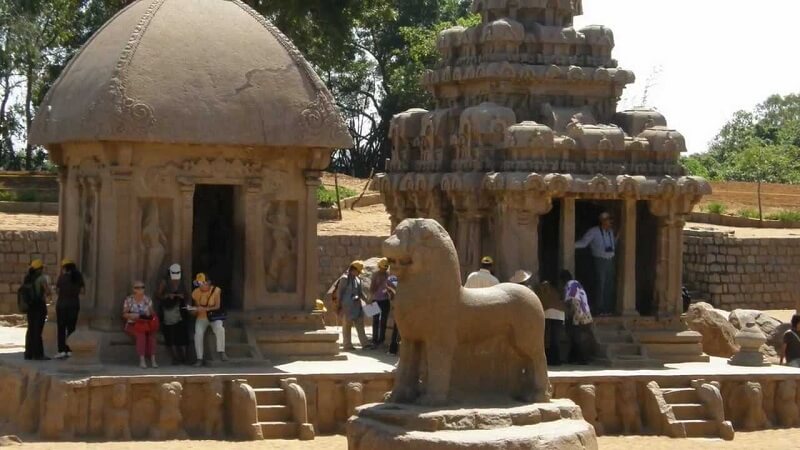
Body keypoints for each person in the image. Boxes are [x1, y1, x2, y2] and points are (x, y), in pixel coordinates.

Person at [575, 212, 618, 316]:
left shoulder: (610, 232)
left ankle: (608, 309)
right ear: (602, 221)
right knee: (601, 284)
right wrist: (570, 245)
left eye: (610, 220)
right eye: (608, 220)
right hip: (599, 260)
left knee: (609, 285)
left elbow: (613, 245)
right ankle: (599, 309)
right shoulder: (594, 231)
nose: (610, 222)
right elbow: (584, 243)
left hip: (610, 260)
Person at [191, 273, 227, 366]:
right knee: (198, 333)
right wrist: (194, 310)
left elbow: (217, 306)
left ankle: (221, 351)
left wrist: (206, 309)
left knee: (220, 329)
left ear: (208, 282)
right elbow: (196, 307)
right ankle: (199, 358)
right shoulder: (196, 292)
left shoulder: (216, 291)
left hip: (214, 316)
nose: (201, 285)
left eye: (203, 283)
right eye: (199, 283)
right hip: (201, 317)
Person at [559, 270, 594, 365]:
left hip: (578, 313)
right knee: (575, 335)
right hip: (585, 311)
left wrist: (568, 314)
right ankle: (573, 357)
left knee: (576, 336)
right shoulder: (577, 283)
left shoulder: (570, 285)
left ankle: (583, 359)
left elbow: (572, 301)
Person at [157, 264, 190, 365]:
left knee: (182, 334)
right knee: (170, 335)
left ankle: (184, 358)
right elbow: (158, 295)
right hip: (168, 310)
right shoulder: (165, 282)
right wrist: (167, 295)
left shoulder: (182, 282)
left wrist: (182, 296)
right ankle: (175, 358)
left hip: (180, 310)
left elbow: (187, 295)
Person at [122, 281, 158, 369]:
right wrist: (132, 315)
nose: (140, 289)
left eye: (142, 287)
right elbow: (124, 314)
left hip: (145, 323)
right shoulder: (129, 300)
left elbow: (152, 314)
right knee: (141, 335)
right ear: (134, 289)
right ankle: (142, 360)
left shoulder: (147, 300)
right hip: (132, 324)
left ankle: (153, 359)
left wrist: (149, 311)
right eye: (137, 288)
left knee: (151, 336)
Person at [54, 259, 84, 359]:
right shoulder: (78, 277)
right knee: (71, 328)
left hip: (62, 305)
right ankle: (70, 349)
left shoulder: (62, 278)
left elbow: (57, 291)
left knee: (61, 328)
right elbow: (83, 291)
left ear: (65, 268)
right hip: (74, 305)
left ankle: (62, 350)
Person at [338, 261, 372, 351]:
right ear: (353, 269)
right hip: (347, 307)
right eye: (358, 271)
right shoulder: (344, 279)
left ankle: (365, 344)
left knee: (360, 324)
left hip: (357, 306)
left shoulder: (358, 279)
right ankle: (347, 345)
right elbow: (339, 293)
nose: (359, 273)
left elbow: (360, 293)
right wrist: (339, 306)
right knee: (347, 326)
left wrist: (367, 301)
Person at [23, 259, 51, 361]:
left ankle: (28, 353)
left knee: (30, 329)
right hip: (39, 307)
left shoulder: (27, 278)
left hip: (30, 307)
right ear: (40, 269)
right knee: (37, 331)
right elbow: (47, 292)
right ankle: (38, 354)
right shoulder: (41, 278)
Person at [370, 258, 392, 346]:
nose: (385, 269)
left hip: (385, 300)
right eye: (384, 267)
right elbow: (372, 288)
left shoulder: (389, 275)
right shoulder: (375, 275)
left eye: (386, 268)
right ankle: (374, 339)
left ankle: (381, 339)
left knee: (384, 320)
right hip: (376, 299)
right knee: (375, 320)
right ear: (379, 267)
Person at [386, 275, 400, 355]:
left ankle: (393, 350)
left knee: (396, 330)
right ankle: (393, 349)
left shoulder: (391, 286)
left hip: (399, 310)